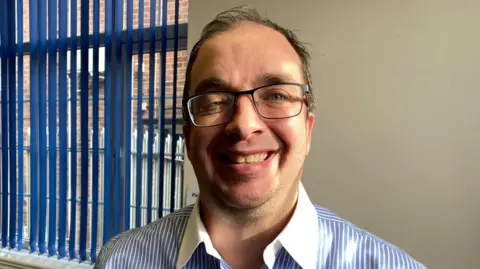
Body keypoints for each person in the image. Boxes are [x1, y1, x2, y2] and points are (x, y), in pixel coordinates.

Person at [94, 5, 426, 269]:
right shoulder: (121, 261)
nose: (244, 124)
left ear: (307, 130)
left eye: (276, 95)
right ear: (188, 139)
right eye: (214, 101)